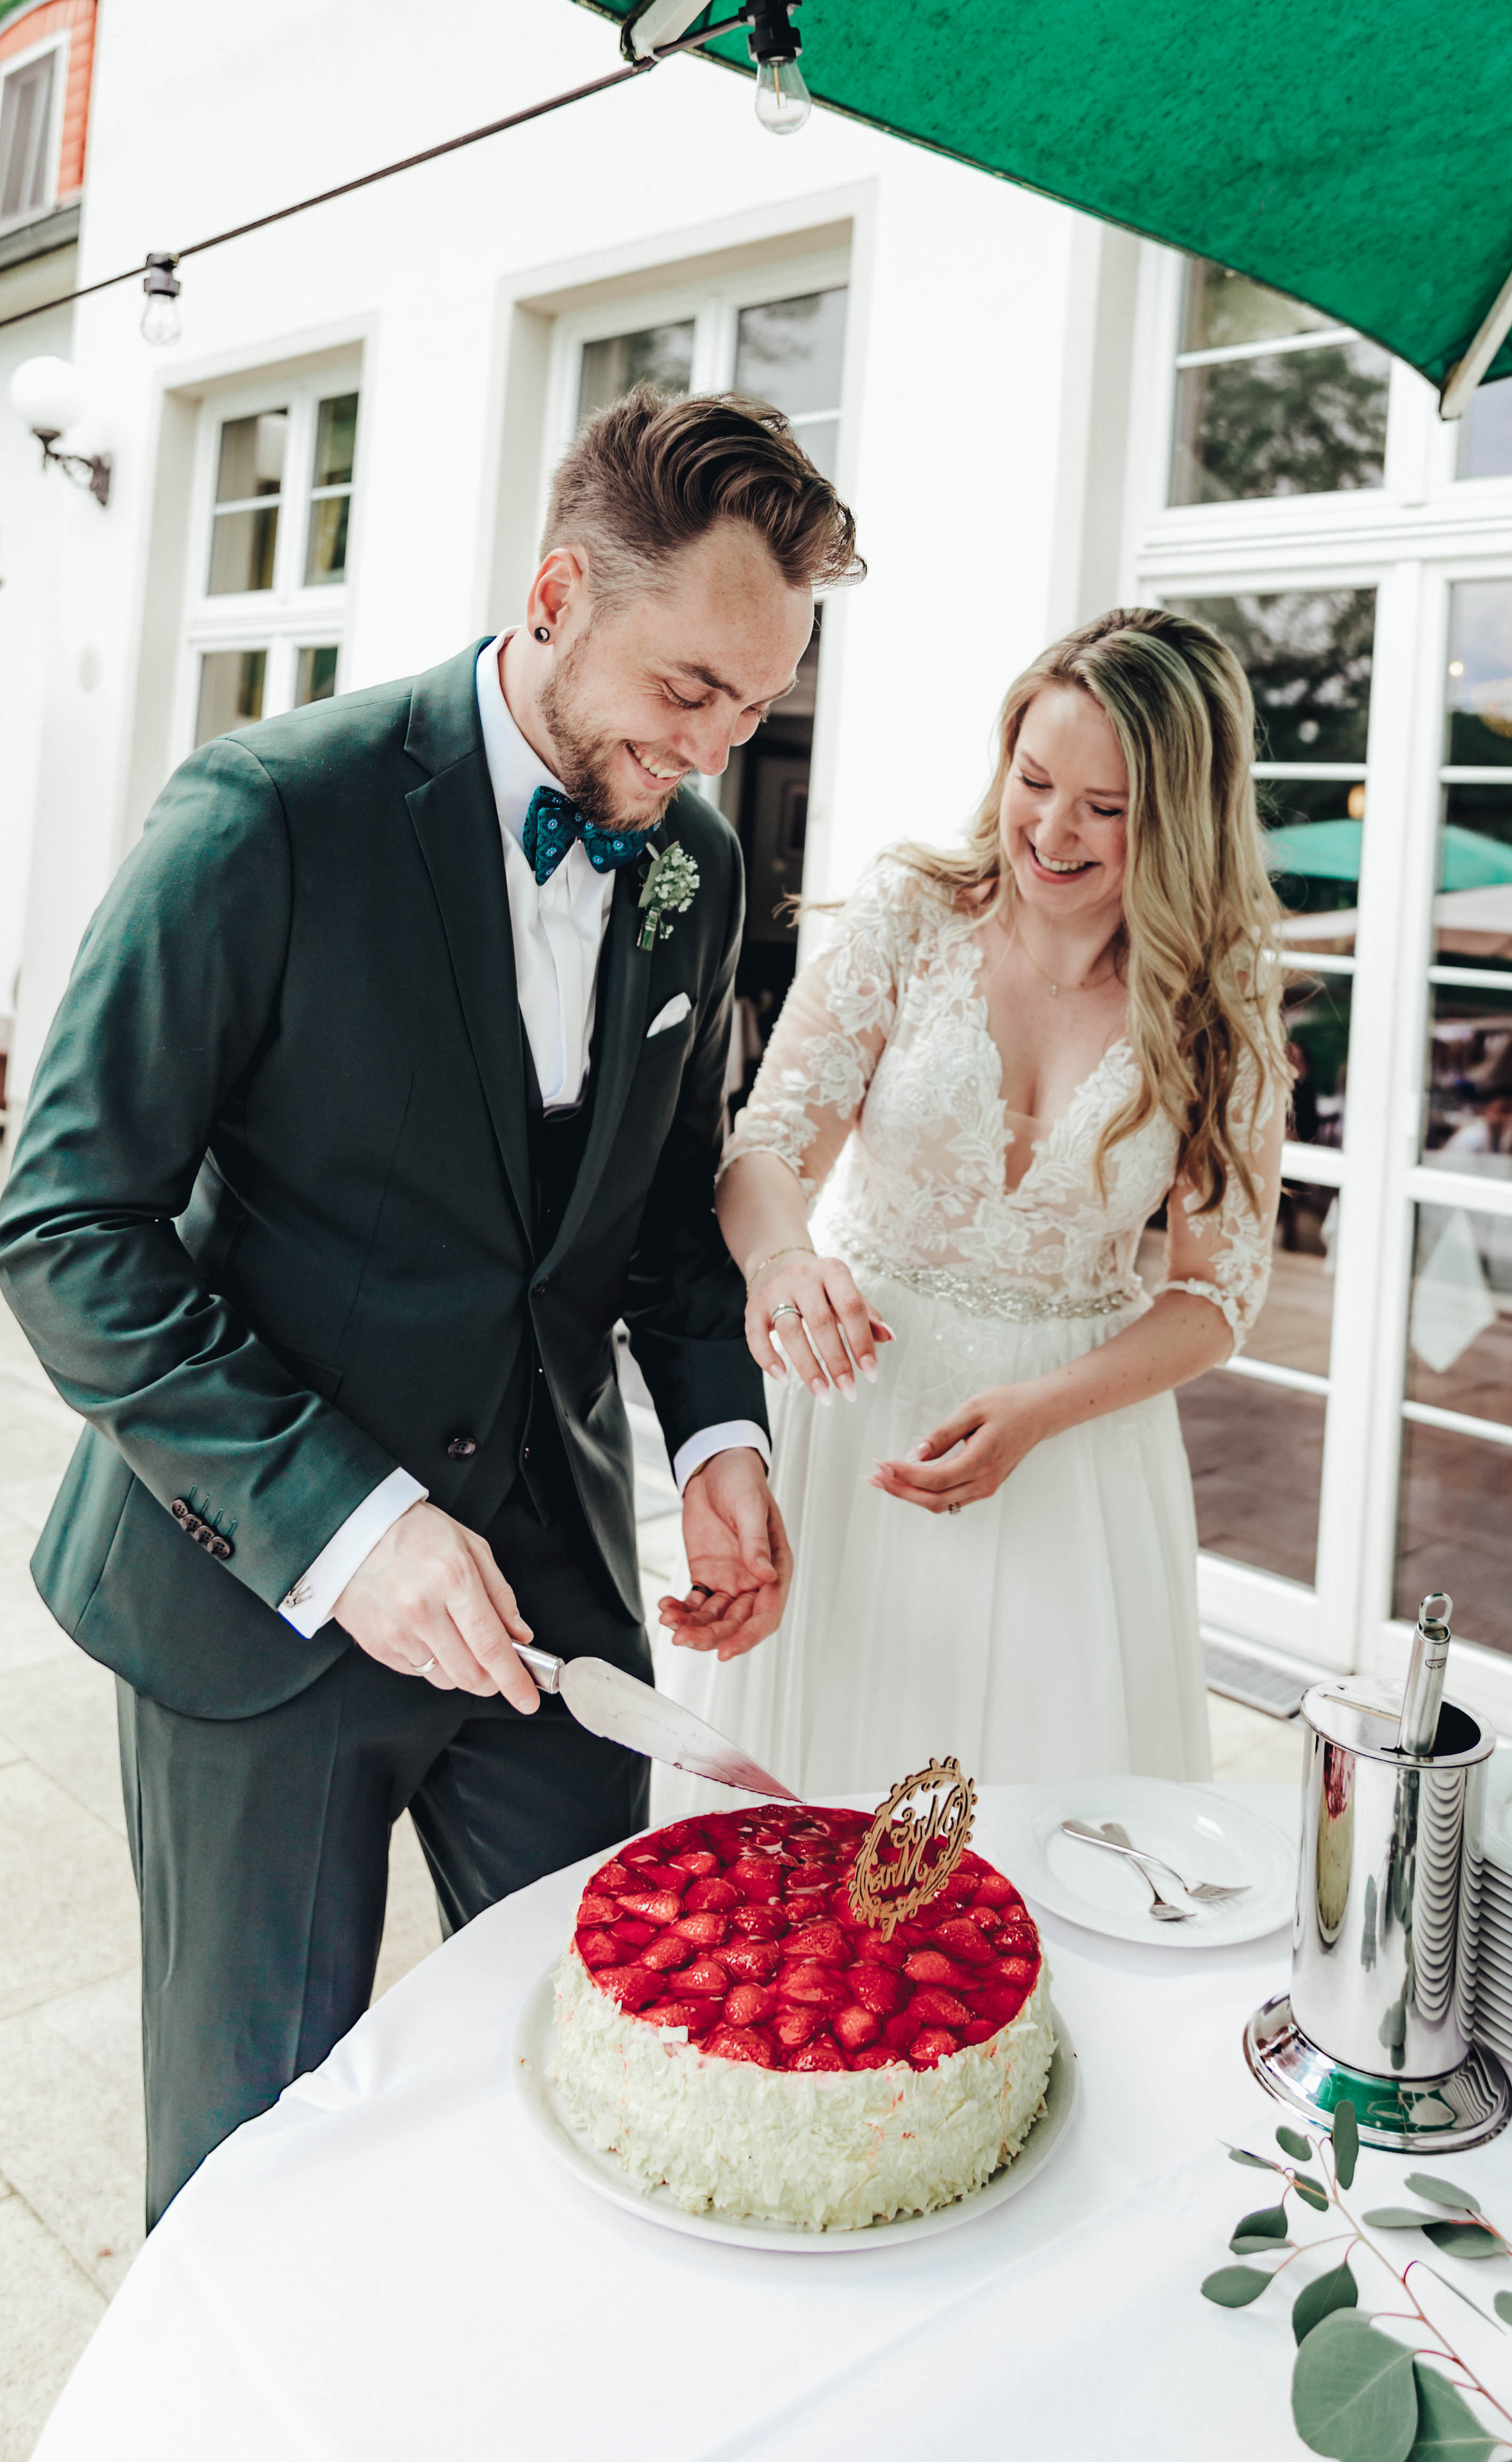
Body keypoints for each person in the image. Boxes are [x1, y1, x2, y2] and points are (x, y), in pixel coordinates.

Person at [0, 387, 860, 2222]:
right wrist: (350, 1520)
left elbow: (648, 1222)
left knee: (590, 2069)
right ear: (558, 590)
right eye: (690, 691)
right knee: (258, 2151)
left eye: (757, 708)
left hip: (552, 1593)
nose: (713, 749)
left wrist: (716, 1433)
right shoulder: (267, 817)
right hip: (259, 1600)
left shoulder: (691, 876)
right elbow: (69, 1226)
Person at [658, 607, 1288, 1798]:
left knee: (1040, 1835)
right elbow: (768, 1153)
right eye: (1035, 779)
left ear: (1183, 821)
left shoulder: (1223, 1000)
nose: (1052, 830)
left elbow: (1217, 1294)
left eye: (1106, 808)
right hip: (856, 1414)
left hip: (1078, 1458)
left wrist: (1044, 1412)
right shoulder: (913, 913)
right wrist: (787, 1260)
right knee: (812, 1814)